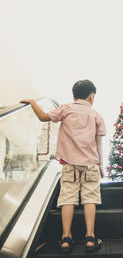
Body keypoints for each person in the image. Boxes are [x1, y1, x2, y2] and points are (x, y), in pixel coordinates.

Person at [20, 79, 106, 253]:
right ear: (91, 96)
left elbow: (44, 117)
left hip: (69, 164)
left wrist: (32, 102)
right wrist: (101, 165)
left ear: (73, 96)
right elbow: (99, 143)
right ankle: (90, 238)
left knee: (68, 198)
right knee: (90, 198)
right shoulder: (96, 115)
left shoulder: (66, 108)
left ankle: (66, 238)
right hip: (91, 164)